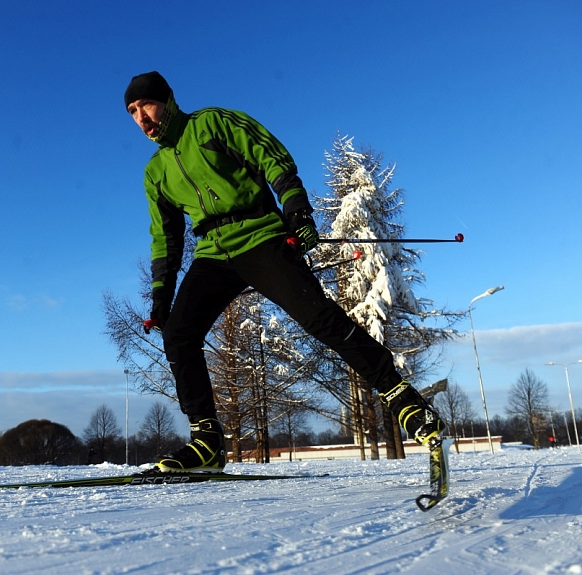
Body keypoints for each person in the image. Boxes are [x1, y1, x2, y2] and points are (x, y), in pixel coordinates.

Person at [124, 71, 445, 473]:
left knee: (318, 317)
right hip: (213, 252)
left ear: (167, 100)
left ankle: (403, 398)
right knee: (178, 334)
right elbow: (165, 239)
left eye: (146, 105)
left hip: (260, 236)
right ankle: (207, 442)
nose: (141, 117)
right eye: (133, 112)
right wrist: (161, 298)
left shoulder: (213, 123)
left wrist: (296, 209)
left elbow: (270, 156)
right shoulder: (155, 172)